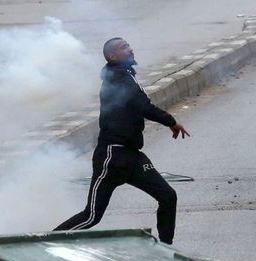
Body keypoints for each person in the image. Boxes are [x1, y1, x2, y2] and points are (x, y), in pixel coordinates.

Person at [55, 37, 190, 243]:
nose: (130, 49)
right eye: (124, 47)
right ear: (112, 56)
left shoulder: (124, 75)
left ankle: (167, 249)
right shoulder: (119, 79)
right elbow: (144, 106)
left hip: (132, 157)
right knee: (91, 216)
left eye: (129, 45)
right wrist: (171, 122)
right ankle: (45, 242)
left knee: (167, 196)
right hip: (112, 157)